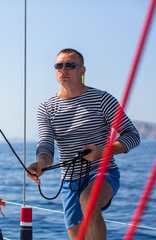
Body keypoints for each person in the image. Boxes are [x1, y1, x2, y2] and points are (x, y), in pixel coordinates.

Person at [27, 48, 140, 240]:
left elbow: (133, 135)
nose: (64, 69)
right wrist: (41, 163)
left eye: (70, 65)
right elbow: (46, 144)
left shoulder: (102, 99)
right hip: (69, 181)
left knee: (88, 200)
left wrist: (103, 152)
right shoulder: (46, 108)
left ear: (82, 70)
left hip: (103, 171)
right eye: (59, 65)